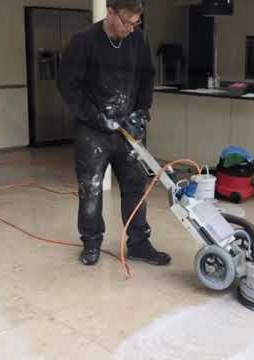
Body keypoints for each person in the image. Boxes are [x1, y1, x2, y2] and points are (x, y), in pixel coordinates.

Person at [57, 0, 171, 266]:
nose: (131, 29)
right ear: (110, 12)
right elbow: (67, 85)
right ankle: (91, 243)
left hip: (127, 129)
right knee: (92, 187)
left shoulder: (138, 40)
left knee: (135, 185)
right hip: (92, 131)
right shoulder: (83, 42)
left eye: (136, 23)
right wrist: (97, 118)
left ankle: (139, 244)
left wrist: (142, 112)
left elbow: (146, 78)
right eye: (126, 22)